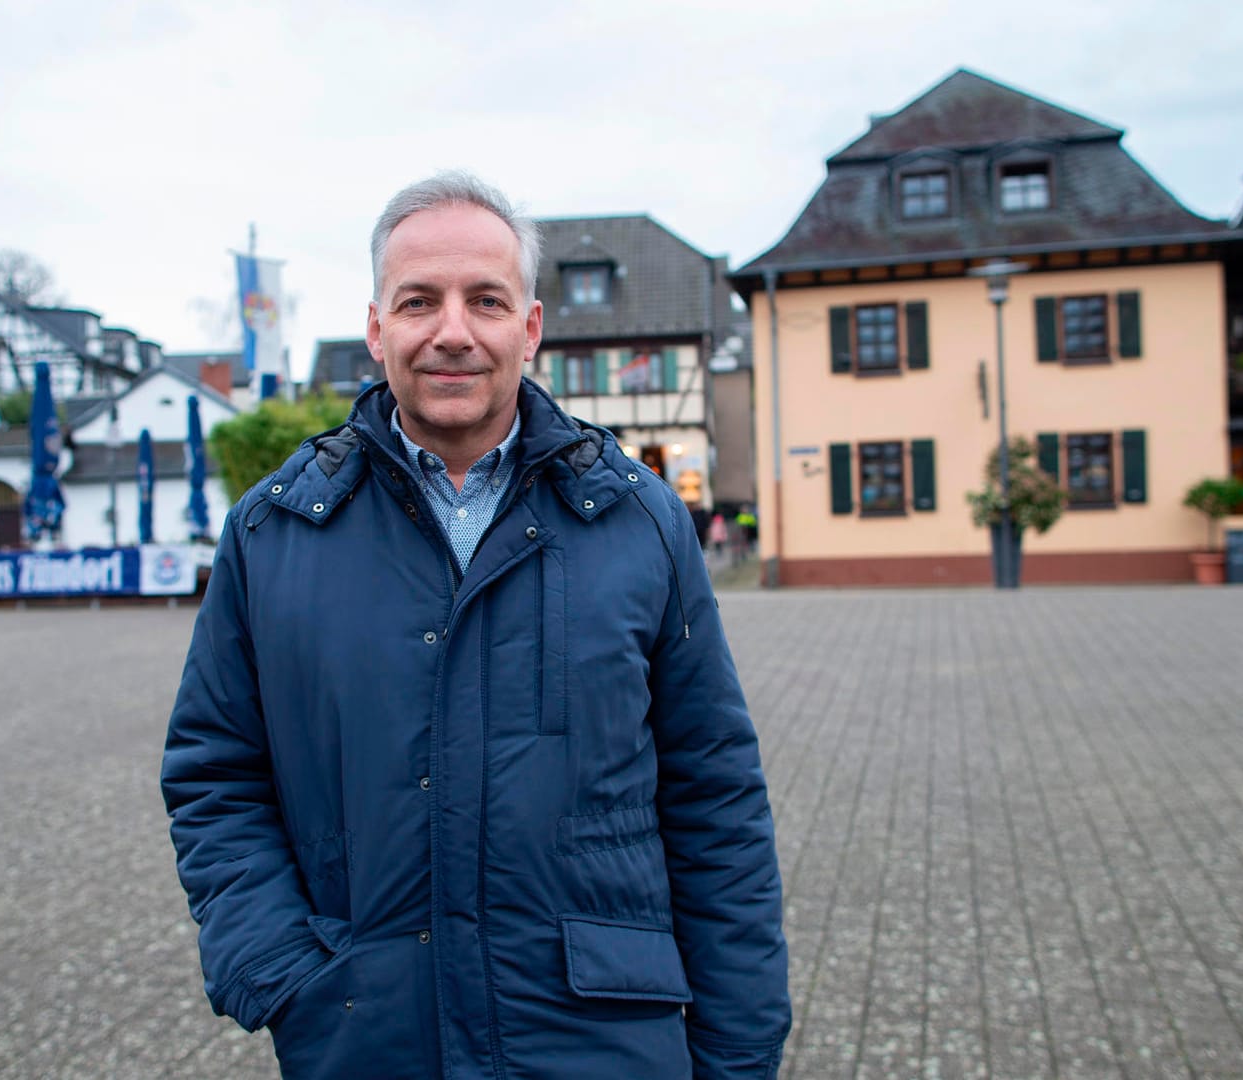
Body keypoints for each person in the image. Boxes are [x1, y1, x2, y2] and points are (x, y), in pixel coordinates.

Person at [160, 171, 789, 1078]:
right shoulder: (275, 532)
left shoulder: (639, 519)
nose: (452, 331)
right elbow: (215, 774)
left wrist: (738, 1050)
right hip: (367, 1041)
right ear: (378, 330)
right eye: (419, 300)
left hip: (601, 1041)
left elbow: (714, 796)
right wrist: (280, 972)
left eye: (485, 300)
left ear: (529, 328)